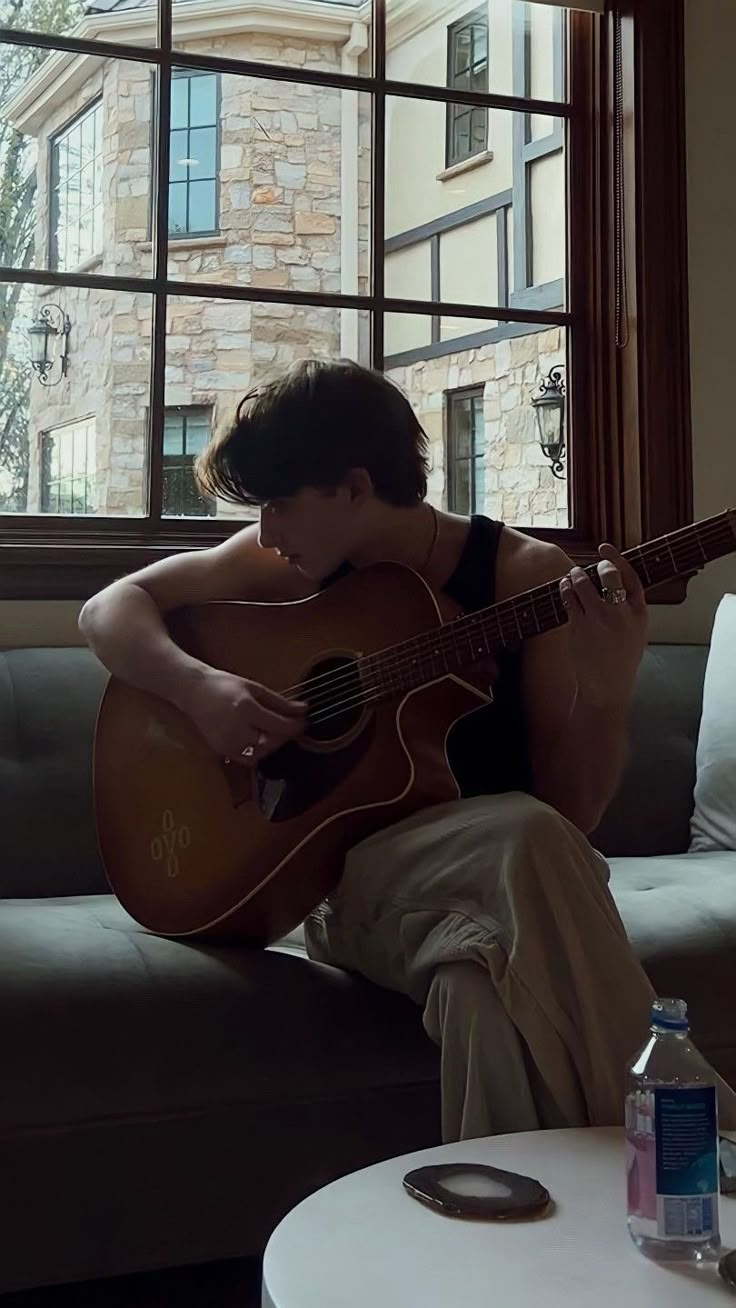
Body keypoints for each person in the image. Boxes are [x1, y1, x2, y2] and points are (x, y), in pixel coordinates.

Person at [78, 359, 732, 1141]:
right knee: (519, 834)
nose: (266, 531)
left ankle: (506, 1243)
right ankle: (704, 1146)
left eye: (280, 506)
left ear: (355, 487)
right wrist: (199, 690)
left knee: (479, 992)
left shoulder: (525, 578)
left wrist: (609, 689)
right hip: (345, 891)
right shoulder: (287, 564)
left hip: (497, 891)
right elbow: (106, 610)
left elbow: (571, 819)